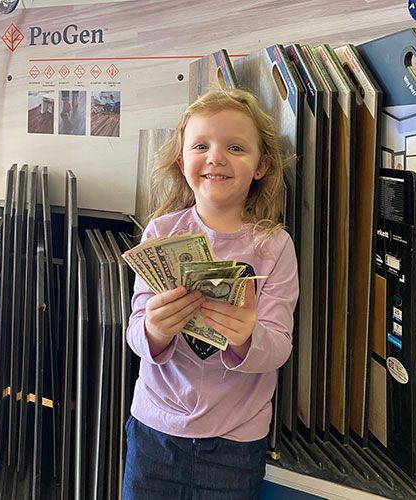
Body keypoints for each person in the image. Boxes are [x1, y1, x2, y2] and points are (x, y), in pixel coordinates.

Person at [123, 89, 299, 499]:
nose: (216, 157)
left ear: (261, 166)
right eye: (201, 145)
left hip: (236, 442)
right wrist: (153, 328)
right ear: (182, 161)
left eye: (235, 147)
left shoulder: (274, 246)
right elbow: (135, 332)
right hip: (155, 432)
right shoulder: (161, 233)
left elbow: (279, 347)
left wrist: (246, 338)